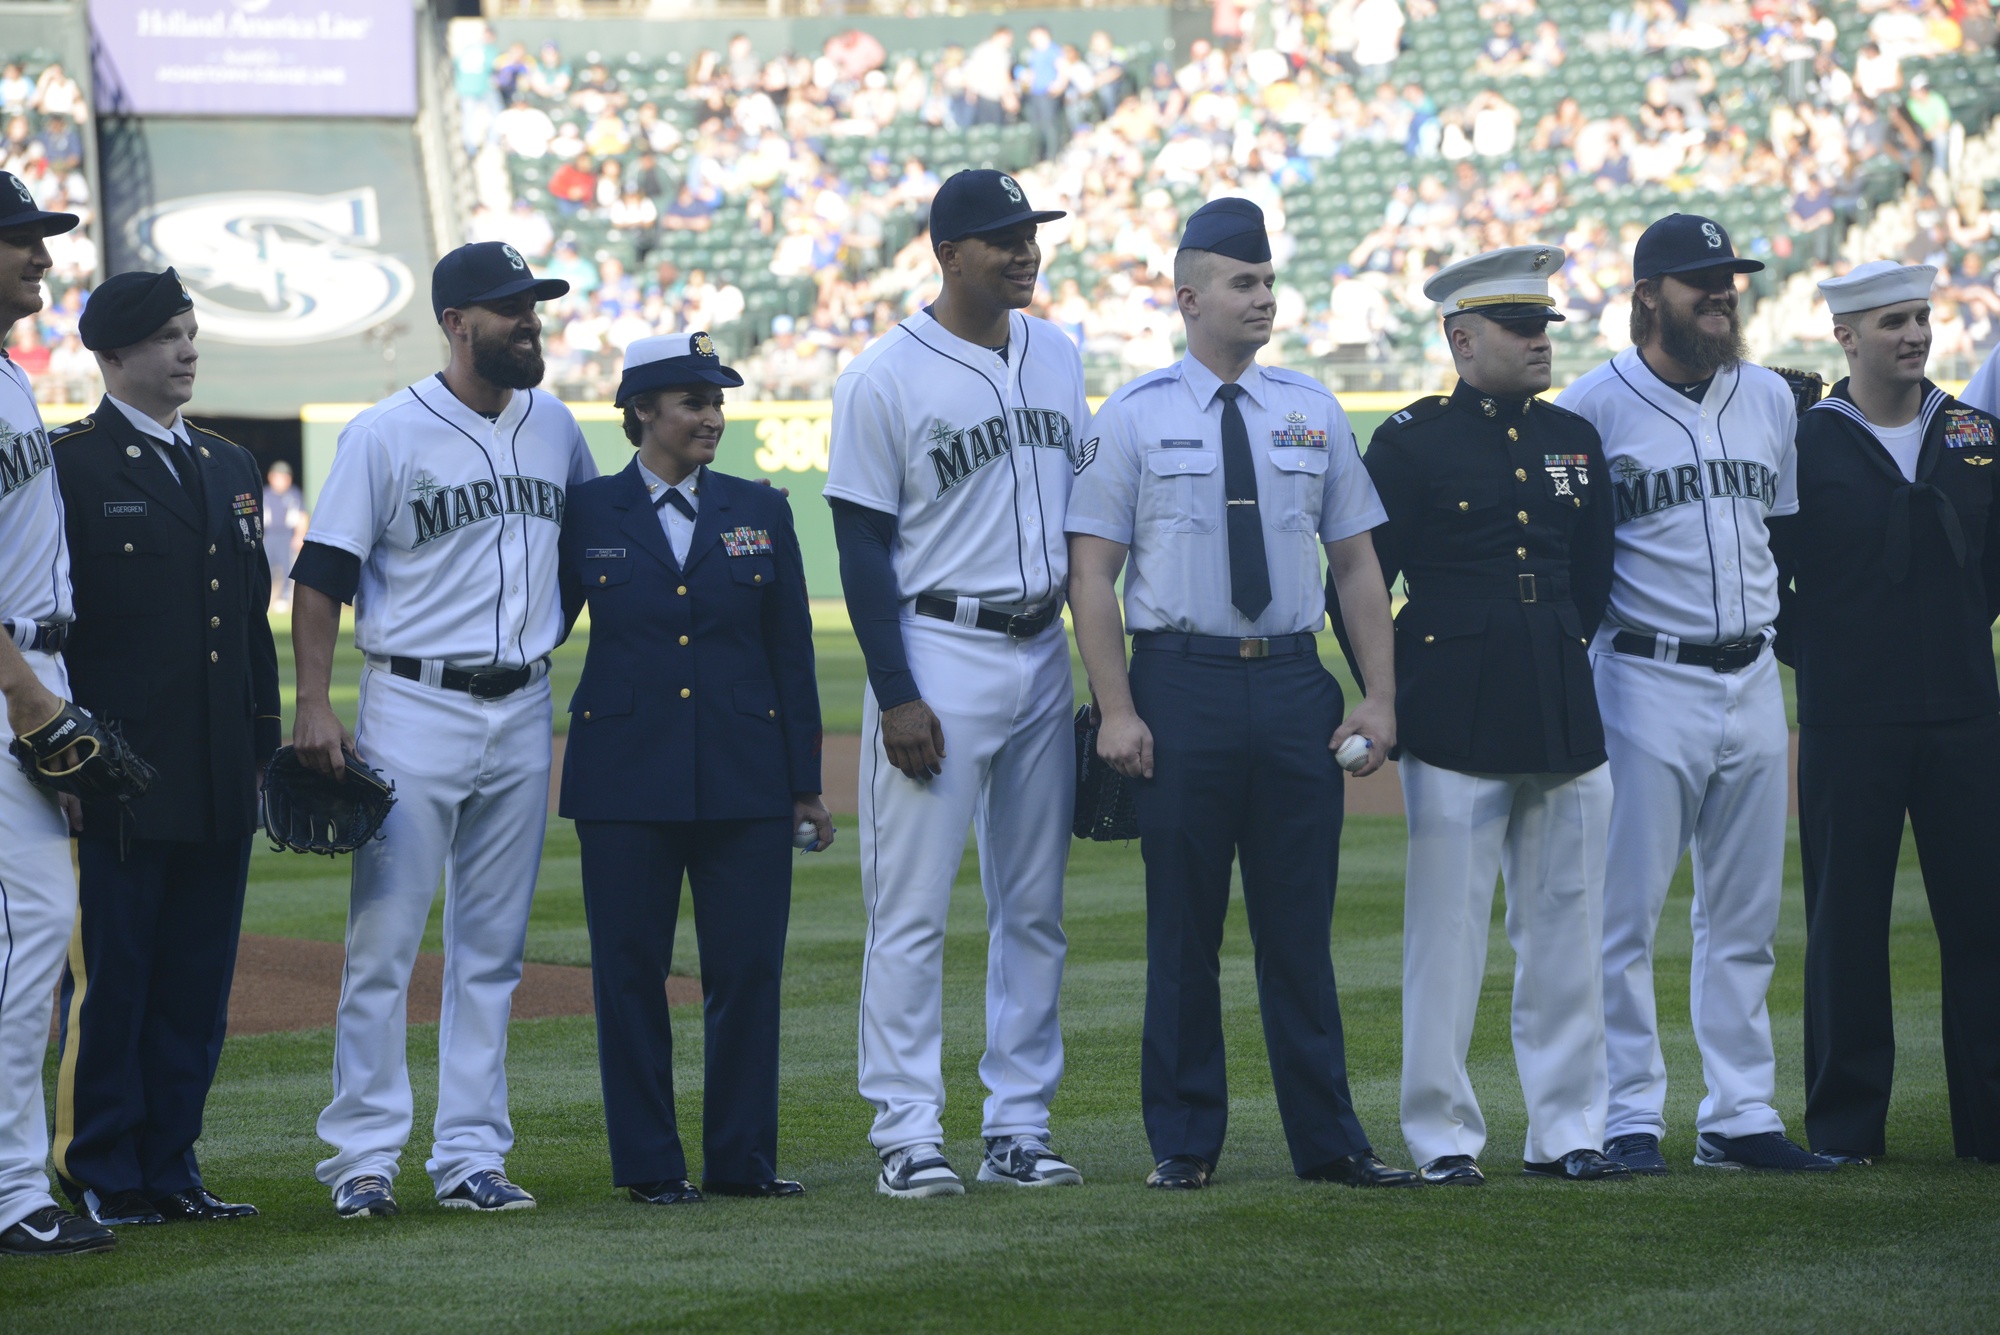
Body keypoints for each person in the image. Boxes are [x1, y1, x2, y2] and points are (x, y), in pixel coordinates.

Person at [1066, 198, 1416, 1190]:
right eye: (1241, 283)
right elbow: (1090, 576)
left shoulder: (1310, 410)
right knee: (1181, 928)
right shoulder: (1132, 416)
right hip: (1180, 684)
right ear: (1188, 298)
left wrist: (1375, 697)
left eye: (1267, 282)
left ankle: (1330, 1142)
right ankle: (1183, 1142)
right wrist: (1119, 706)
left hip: (1295, 682)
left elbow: (1355, 568)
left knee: (1297, 930)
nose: (1262, 298)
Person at [287, 242, 597, 1218]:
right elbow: (321, 577)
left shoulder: (556, 428)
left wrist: (541, 642)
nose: (529, 323)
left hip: (520, 707)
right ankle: (363, 1158)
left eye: (534, 306)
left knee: (492, 947)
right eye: (510, 309)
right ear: (456, 323)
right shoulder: (384, 434)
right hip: (412, 705)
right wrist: (313, 702)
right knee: (384, 942)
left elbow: (586, 558)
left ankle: (469, 1155)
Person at [826, 170, 1088, 1197]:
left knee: (1033, 906)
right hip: (938, 649)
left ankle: (1018, 1125)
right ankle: (905, 1129)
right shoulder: (883, 375)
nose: (1023, 251)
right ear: (946, 252)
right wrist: (895, 692)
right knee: (911, 906)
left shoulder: (1058, 352)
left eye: (1029, 234)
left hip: (1040, 646)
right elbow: (857, 544)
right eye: (1000, 238)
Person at [1556, 215, 1834, 1174]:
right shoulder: (1592, 404)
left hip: (1753, 675)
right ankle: (1629, 1113)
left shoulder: (1767, 398)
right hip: (1641, 674)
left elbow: (1783, 536)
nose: (1722, 292)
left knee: (1745, 913)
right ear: (1646, 296)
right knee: (1621, 915)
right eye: (1700, 280)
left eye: (1729, 277)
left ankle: (1740, 1112)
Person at [1347, 246, 1626, 1185]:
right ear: (1461, 341)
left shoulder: (1575, 437)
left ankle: (1567, 1128)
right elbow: (1363, 587)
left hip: (1558, 702)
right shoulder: (1411, 440)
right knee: (1448, 934)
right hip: (1453, 711)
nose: (1540, 339)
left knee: (1569, 927)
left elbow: (1591, 579)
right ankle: (1441, 1134)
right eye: (1519, 326)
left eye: (1545, 323)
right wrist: (1388, 696)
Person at [557, 332, 829, 1204]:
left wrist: (805, 783)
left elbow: (792, 656)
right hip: (625, 776)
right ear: (642, 410)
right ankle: (649, 1165)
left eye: (718, 401)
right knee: (629, 972)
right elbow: (536, 623)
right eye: (692, 401)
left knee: (747, 970)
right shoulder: (588, 510)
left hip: (746, 777)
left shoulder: (762, 507)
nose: (713, 416)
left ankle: (742, 1160)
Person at [47, 269, 277, 1228]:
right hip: (119, 777)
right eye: (166, 337)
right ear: (111, 355)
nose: (187, 350)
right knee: (116, 982)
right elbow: (47, 627)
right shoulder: (70, 466)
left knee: (194, 987)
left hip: (218, 770)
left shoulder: (227, 464)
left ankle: (171, 1163)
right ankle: (99, 1166)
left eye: (192, 333)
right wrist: (58, 759)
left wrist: (267, 752)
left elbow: (250, 628)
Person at [1774, 261, 2000, 1165]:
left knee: (1984, 923)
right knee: (1846, 928)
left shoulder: (1977, 433)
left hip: (1965, 717)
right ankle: (1845, 1130)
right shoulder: (1804, 441)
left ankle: (1987, 1128)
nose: (1914, 334)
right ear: (1846, 336)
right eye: (1893, 321)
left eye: (1922, 317)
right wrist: (1826, 651)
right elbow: (1769, 569)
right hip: (1847, 719)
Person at [0, 172, 116, 1258]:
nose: (41, 257)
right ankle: (7, 1197)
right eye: (20, 240)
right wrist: (31, 698)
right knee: (27, 932)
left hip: (30, 675)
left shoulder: (8, 374)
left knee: (31, 934)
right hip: (7, 686)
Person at [262, 461, 306, 613]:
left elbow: (302, 516)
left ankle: (286, 597)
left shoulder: (294, 495)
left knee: (287, 566)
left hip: (286, 536)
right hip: (269, 536)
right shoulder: (265, 494)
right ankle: (265, 598)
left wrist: (299, 536)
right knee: (265, 567)